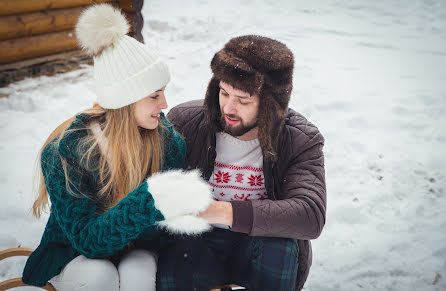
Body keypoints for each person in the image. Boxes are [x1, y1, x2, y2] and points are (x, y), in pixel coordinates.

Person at [21, 4, 212, 291]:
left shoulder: (168, 143)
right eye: (154, 96)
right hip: (75, 254)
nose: (165, 105)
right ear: (126, 100)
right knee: (100, 275)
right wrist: (151, 201)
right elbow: (89, 242)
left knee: (139, 270)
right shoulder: (67, 152)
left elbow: (162, 235)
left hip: (136, 249)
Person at [158, 35, 327, 290]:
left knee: (279, 243)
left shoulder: (300, 139)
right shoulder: (185, 121)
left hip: (259, 245)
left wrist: (218, 210)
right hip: (196, 243)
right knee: (178, 241)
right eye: (224, 93)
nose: (228, 107)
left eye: (243, 100)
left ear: (272, 104)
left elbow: (310, 214)